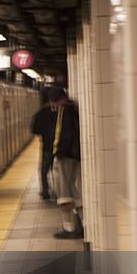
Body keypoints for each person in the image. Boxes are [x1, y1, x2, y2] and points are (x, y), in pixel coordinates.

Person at [47, 87, 82, 239]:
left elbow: (61, 134)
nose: (53, 106)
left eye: (53, 103)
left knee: (64, 193)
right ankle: (84, 224)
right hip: (75, 155)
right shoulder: (73, 108)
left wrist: (58, 153)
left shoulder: (64, 111)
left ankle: (69, 228)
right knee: (75, 192)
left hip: (66, 157)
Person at [30, 92, 57, 200]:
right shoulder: (56, 112)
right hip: (57, 145)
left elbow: (34, 129)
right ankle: (57, 191)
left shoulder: (39, 114)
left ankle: (45, 191)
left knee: (44, 169)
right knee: (56, 169)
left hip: (46, 146)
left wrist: (41, 135)